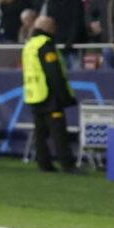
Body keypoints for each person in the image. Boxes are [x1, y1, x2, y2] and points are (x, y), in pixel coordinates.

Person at [20, 16, 74, 172]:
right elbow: (54, 72)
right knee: (58, 131)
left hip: (34, 94)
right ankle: (67, 163)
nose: (55, 29)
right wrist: (64, 96)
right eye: (53, 26)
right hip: (49, 94)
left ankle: (44, 163)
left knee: (40, 132)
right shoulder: (45, 44)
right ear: (48, 27)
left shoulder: (29, 45)